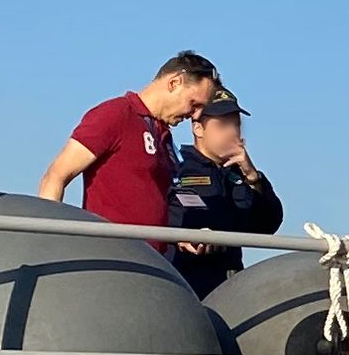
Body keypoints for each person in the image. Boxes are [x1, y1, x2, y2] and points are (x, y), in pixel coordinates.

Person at [42, 52, 223, 232]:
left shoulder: (163, 134)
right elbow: (56, 176)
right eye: (194, 104)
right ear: (174, 83)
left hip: (153, 257)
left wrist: (179, 236)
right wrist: (50, 239)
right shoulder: (115, 114)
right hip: (112, 253)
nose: (196, 115)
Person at [168, 92, 283, 290]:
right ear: (198, 129)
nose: (231, 133)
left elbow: (267, 225)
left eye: (235, 125)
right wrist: (181, 234)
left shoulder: (242, 175)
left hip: (229, 284)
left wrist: (253, 178)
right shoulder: (174, 168)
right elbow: (155, 214)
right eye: (222, 125)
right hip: (182, 280)